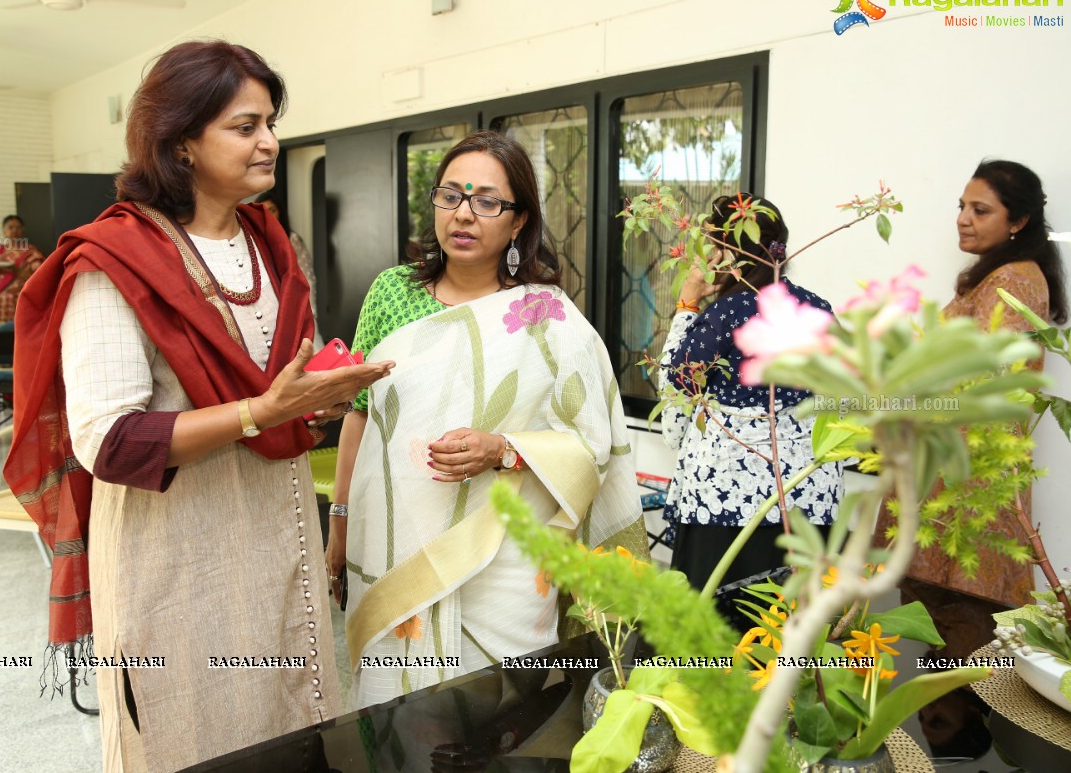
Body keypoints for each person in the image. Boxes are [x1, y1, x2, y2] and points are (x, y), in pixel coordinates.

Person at [2, 40, 393, 773]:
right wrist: (262, 413)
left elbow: (279, 382)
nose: (270, 141)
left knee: (289, 717)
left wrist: (317, 401)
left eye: (270, 122)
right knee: (192, 728)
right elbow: (108, 441)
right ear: (181, 143)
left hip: (277, 535)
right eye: (245, 126)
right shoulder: (114, 260)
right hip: (175, 550)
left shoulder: (273, 244)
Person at [325, 130, 644, 709]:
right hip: (398, 538)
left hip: (503, 559)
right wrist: (339, 518)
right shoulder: (392, 294)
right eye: (450, 196)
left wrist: (503, 448)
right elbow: (359, 415)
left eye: (487, 201)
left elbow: (591, 440)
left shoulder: (543, 313)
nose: (463, 214)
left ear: (519, 220)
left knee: (499, 718)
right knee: (401, 714)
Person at [886, 159, 1067, 660]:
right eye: (962, 206)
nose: (963, 218)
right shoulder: (993, 279)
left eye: (980, 209)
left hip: (969, 491)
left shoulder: (1013, 281)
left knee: (963, 661)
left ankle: (956, 732)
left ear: (1018, 221)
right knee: (931, 664)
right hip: (950, 480)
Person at [657, 194, 844, 600]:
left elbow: (675, 405)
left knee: (717, 637)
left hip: (724, 503)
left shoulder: (726, 314)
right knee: (789, 635)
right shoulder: (819, 309)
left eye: (709, 245)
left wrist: (688, 303)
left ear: (727, 251)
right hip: (809, 501)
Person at [256, 192, 320, 336]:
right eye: (264, 210)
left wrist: (311, 313)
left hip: (294, 307)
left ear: (280, 212)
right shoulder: (255, 241)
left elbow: (308, 277)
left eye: (272, 210)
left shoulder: (292, 239)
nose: (269, 214)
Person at [0, 215, 45, 322]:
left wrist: (16, 271)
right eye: (11, 227)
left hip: (22, 304)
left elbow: (41, 281)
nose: (15, 231)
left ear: (23, 231)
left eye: (18, 228)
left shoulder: (32, 253)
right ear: (4, 231)